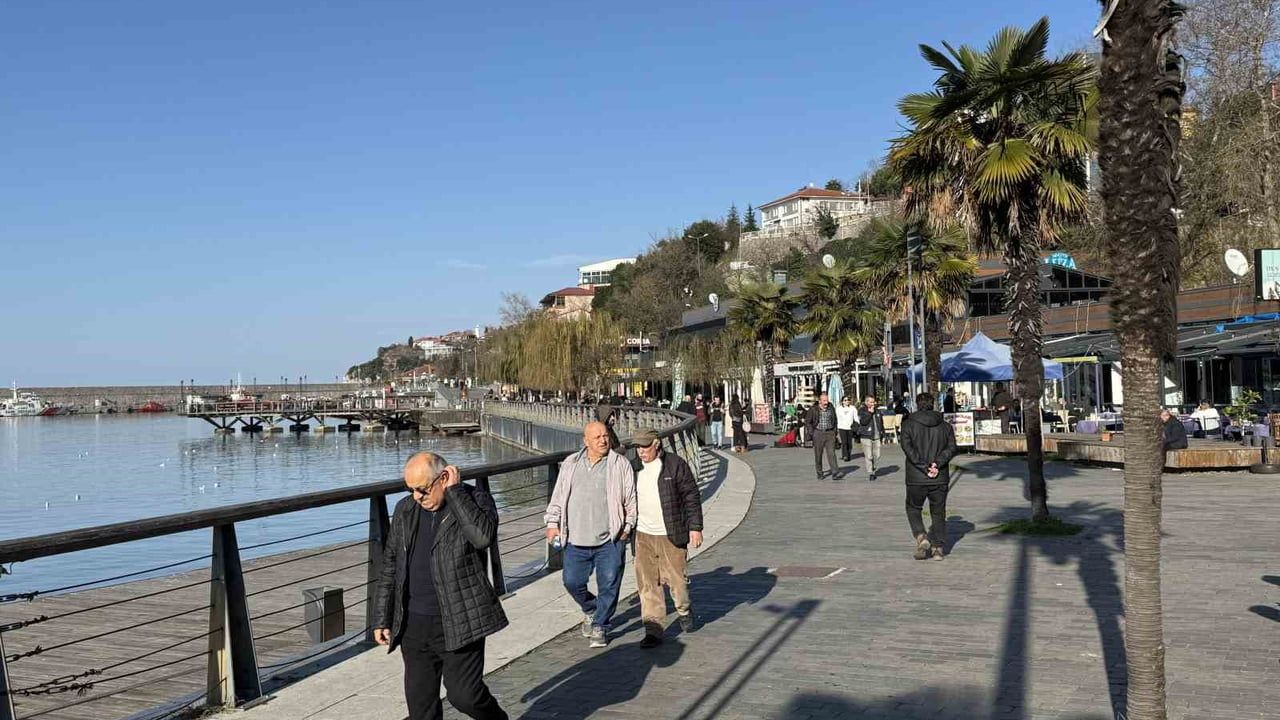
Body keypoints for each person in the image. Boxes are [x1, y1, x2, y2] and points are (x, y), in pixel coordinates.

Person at [372, 452, 509, 720]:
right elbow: (391, 564)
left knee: (464, 696)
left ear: (443, 477)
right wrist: (382, 617)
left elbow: (482, 538)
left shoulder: (475, 500)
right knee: (420, 708)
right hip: (414, 625)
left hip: (459, 620)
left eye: (422, 489)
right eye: (410, 490)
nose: (417, 497)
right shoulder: (405, 510)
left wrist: (455, 493)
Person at [544, 421, 637, 648]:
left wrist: (626, 528)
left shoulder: (619, 464)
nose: (603, 440)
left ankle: (601, 625)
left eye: (605, 435)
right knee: (572, 581)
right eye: (597, 437)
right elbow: (558, 497)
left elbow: (631, 500)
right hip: (576, 539)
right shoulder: (571, 463)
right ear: (586, 441)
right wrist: (552, 523)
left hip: (610, 539)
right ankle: (591, 608)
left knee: (609, 583)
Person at [631, 429, 703, 647]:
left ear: (657, 444)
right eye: (637, 447)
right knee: (647, 583)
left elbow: (691, 496)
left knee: (677, 582)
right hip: (642, 534)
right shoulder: (632, 467)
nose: (640, 451)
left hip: (671, 533)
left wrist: (695, 527)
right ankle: (653, 629)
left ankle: (684, 609)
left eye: (645, 446)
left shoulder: (675, 464)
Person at [900, 393, 958, 561]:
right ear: (933, 404)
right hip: (939, 477)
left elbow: (907, 448)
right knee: (938, 512)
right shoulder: (945, 426)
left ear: (917, 404)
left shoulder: (909, 424)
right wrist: (937, 464)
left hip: (916, 476)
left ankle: (921, 536)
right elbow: (952, 448)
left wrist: (924, 466)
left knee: (913, 507)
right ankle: (938, 549)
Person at [805, 392, 840, 479]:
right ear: (819, 401)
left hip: (830, 433)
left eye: (827, 400)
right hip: (818, 433)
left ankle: (835, 472)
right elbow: (808, 421)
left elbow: (835, 419)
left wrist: (834, 431)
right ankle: (819, 473)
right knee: (818, 454)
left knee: (831, 453)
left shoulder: (831, 407)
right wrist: (812, 433)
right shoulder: (813, 409)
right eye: (824, 401)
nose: (826, 403)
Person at [855, 395, 886, 480]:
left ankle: (873, 467)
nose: (873, 404)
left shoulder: (878, 411)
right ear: (866, 402)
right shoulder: (862, 411)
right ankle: (871, 472)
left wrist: (883, 433)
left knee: (877, 455)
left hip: (877, 436)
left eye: (873, 402)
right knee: (869, 456)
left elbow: (881, 423)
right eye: (871, 402)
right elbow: (863, 422)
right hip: (866, 436)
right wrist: (869, 413)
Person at [836, 396, 858, 462]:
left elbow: (856, 417)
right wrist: (836, 427)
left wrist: (857, 424)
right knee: (844, 442)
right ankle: (845, 456)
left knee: (849, 443)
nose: (847, 401)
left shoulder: (853, 408)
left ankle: (848, 454)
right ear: (842, 401)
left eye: (848, 400)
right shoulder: (838, 409)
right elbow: (837, 418)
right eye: (845, 400)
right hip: (842, 427)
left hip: (850, 427)